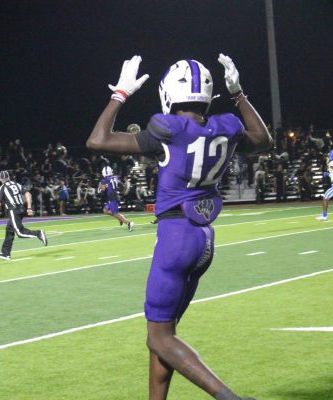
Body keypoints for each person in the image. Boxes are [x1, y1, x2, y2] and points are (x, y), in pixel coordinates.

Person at [86, 54, 271, 400]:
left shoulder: (168, 131)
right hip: (204, 239)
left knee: (159, 337)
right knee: (164, 337)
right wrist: (239, 94)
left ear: (168, 93)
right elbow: (264, 140)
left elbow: (97, 140)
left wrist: (120, 95)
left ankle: (230, 398)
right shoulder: (225, 128)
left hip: (174, 238)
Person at [0, 170, 48, 260]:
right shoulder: (16, 184)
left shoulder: (2, 188)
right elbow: (28, 194)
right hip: (22, 208)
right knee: (9, 229)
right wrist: (29, 208)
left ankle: (38, 233)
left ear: (1, 179)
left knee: (20, 233)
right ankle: (5, 253)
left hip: (13, 210)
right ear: (9, 177)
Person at [98, 166, 133, 231]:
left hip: (112, 197)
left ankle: (129, 223)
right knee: (105, 210)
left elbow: (102, 190)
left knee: (115, 214)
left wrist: (100, 188)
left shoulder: (104, 180)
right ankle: (120, 219)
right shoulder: (115, 177)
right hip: (115, 196)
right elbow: (122, 186)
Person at [316, 149, 333, 221]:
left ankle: (324, 216)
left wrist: (328, 173)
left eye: (330, 154)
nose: (328, 155)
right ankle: (324, 215)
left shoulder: (332, 162)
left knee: (325, 198)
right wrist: (329, 174)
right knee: (325, 197)